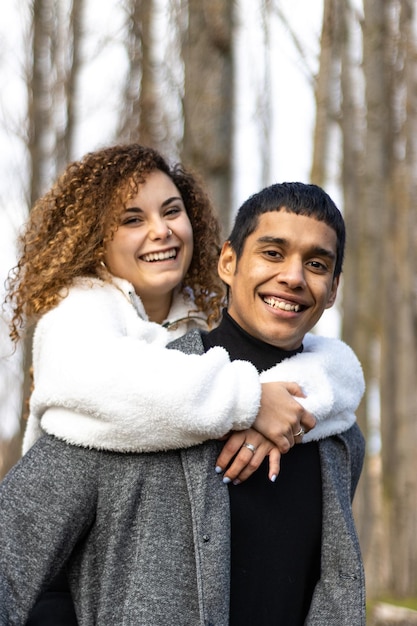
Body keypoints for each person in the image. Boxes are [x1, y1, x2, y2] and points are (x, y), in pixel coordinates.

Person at [0, 146, 364, 624]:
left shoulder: (338, 437)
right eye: (272, 253)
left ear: (333, 287)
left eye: (317, 264)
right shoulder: (136, 398)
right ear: (228, 262)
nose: (293, 276)